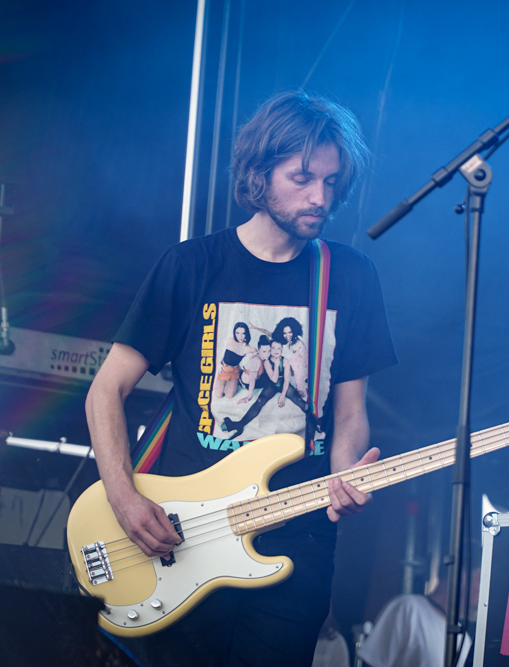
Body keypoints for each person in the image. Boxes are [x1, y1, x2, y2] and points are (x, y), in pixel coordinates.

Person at [85, 91, 397, 666]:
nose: (320, 197)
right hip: (186, 533)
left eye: (331, 182)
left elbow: (350, 411)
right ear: (259, 174)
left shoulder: (351, 277)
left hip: (299, 537)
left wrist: (346, 473)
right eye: (302, 178)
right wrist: (124, 499)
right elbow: (107, 389)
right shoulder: (192, 265)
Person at [357, 567, 482, 667]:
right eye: (481, 580)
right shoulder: (408, 608)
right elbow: (372, 663)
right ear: (462, 578)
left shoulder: (464, 640)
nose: (485, 593)